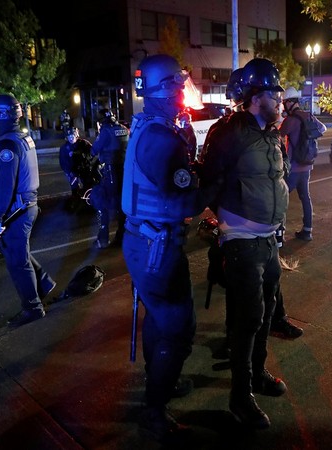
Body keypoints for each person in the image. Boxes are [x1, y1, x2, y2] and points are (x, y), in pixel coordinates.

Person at [199, 57, 289, 429]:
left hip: (267, 241)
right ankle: (240, 397)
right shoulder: (229, 132)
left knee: (267, 312)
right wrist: (219, 223)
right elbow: (209, 179)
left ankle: (256, 374)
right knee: (248, 318)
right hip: (241, 242)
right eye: (274, 92)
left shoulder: (269, 130)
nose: (280, 98)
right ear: (255, 97)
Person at [121, 54, 207, 442]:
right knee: (178, 327)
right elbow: (185, 200)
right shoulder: (159, 137)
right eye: (177, 82)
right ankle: (154, 412)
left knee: (159, 319)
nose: (182, 88)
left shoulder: (151, 126)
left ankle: (159, 383)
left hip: (146, 241)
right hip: (156, 246)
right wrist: (213, 184)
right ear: (163, 87)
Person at [0, 94, 56, 326]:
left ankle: (33, 308)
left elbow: (6, 186)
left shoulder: (7, 145)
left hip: (15, 211)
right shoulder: (19, 138)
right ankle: (43, 283)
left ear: (2, 116)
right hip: (23, 208)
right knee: (18, 253)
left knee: (16, 261)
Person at [279, 86, 327, 242]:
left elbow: (276, 135)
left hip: (292, 167)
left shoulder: (290, 120)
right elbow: (323, 128)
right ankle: (307, 231)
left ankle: (279, 234)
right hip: (307, 165)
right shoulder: (309, 116)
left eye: (284, 103)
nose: (283, 106)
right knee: (305, 198)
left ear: (289, 103)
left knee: (280, 199)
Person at [90, 108, 128, 248]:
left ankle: (102, 239)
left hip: (110, 171)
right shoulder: (123, 129)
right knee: (122, 205)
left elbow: (94, 149)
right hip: (124, 171)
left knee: (100, 202)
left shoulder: (106, 131)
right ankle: (122, 236)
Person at [58, 126, 98, 212]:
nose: (71, 138)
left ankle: (90, 202)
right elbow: (62, 162)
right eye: (69, 136)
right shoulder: (64, 148)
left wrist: (83, 156)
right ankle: (76, 202)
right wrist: (68, 172)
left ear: (76, 135)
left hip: (85, 169)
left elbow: (92, 153)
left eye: (73, 135)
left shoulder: (83, 143)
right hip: (72, 171)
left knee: (88, 186)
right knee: (74, 187)